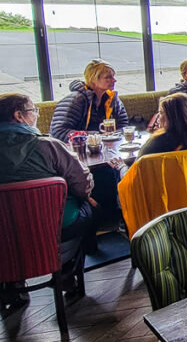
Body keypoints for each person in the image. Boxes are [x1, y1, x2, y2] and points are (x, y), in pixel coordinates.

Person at [0, 93, 96, 308]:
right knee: (87, 207)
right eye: (34, 111)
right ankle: (66, 272)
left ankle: (10, 284)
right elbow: (83, 183)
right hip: (48, 229)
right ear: (19, 116)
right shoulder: (48, 146)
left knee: (7, 221)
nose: (36, 116)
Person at [48, 59, 128, 226]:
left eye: (113, 77)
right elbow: (59, 131)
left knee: (123, 165)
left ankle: (119, 216)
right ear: (93, 79)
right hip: (79, 155)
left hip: (105, 151)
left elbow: (123, 125)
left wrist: (111, 135)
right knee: (104, 173)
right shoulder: (76, 99)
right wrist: (95, 136)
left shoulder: (112, 99)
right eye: (108, 77)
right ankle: (103, 220)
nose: (114, 80)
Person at [139, 92, 187, 156]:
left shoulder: (158, 141)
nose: (158, 117)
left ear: (172, 117)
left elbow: (139, 164)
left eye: (161, 113)